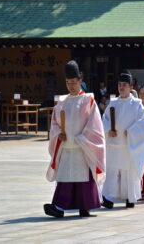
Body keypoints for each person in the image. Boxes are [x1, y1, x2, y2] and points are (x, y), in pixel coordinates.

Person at [44, 60, 106, 218]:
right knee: (65, 179)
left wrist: (82, 138)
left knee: (83, 178)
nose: (71, 85)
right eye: (67, 82)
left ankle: (85, 206)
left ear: (80, 81)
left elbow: (94, 125)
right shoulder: (61, 102)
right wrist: (59, 134)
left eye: (73, 82)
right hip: (66, 146)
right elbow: (55, 123)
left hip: (82, 146)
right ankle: (58, 207)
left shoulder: (88, 100)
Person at [101, 70, 144, 209]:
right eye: (119, 85)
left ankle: (130, 197)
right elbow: (105, 119)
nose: (121, 87)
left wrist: (132, 132)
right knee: (113, 171)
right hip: (114, 143)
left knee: (128, 171)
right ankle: (109, 197)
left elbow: (142, 123)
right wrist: (108, 129)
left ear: (131, 87)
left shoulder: (137, 104)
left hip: (129, 144)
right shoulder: (113, 103)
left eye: (124, 85)